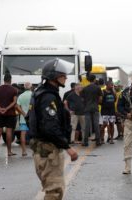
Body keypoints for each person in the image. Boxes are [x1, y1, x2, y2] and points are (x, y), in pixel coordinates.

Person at [29, 58, 78, 200]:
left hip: (42, 148)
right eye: (63, 75)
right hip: (49, 151)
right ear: (54, 77)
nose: (66, 78)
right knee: (54, 191)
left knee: (52, 189)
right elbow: (50, 126)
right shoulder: (48, 96)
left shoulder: (40, 93)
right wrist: (67, 147)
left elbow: (30, 118)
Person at [0, 73, 18, 157]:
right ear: (10, 80)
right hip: (10, 113)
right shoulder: (14, 90)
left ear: (4, 80)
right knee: (9, 131)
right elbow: (14, 102)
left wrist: (0, 108)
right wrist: (6, 108)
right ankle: (9, 151)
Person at [81, 74, 103, 146]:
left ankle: (85, 142)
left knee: (87, 125)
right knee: (96, 124)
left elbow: (82, 99)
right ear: (94, 80)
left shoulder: (85, 88)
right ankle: (98, 141)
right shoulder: (97, 88)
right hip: (95, 108)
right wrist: (97, 102)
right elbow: (100, 99)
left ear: (88, 80)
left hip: (87, 108)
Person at [16, 82, 32, 156]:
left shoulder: (21, 96)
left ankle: (24, 151)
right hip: (32, 118)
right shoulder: (33, 95)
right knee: (35, 135)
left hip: (23, 118)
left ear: (24, 87)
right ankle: (35, 151)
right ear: (31, 87)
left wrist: (23, 113)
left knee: (23, 134)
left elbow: (17, 106)